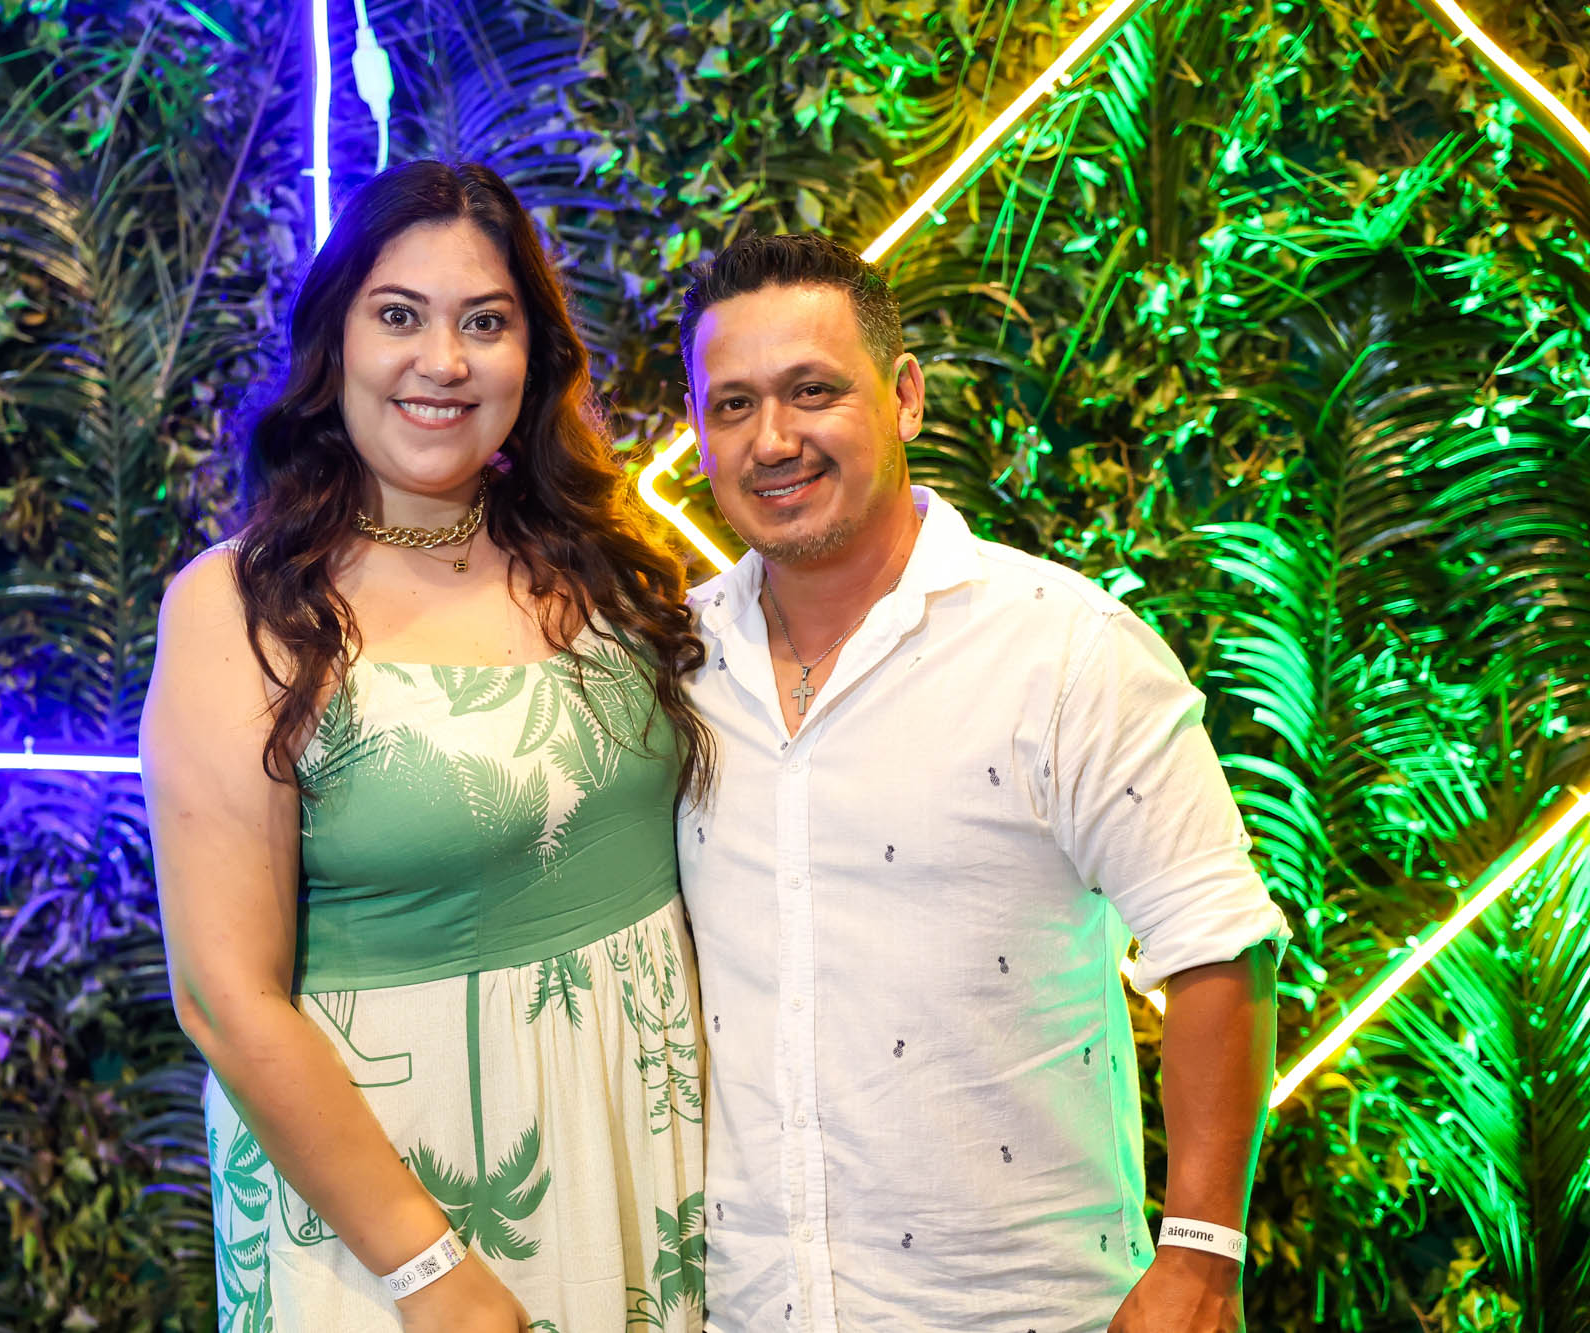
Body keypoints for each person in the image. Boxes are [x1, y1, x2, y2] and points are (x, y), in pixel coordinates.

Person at [673, 232, 1291, 1333]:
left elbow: (1216, 940)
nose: (772, 439)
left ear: (904, 396)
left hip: (1017, 1307)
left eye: (812, 391)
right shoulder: (672, 666)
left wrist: (1201, 1258)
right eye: (733, 405)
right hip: (745, 1306)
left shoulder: (1066, 649)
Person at [140, 160, 712, 1333]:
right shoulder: (238, 608)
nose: (442, 361)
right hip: (403, 1204)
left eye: (484, 322)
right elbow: (223, 997)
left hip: (644, 1152)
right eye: (398, 315)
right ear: (335, 342)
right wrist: (430, 1273)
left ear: (532, 355)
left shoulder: (600, 561)